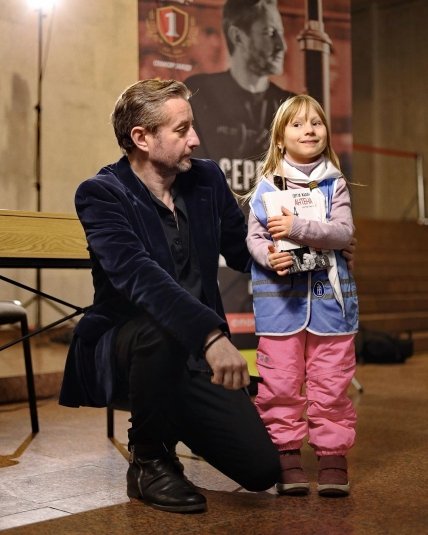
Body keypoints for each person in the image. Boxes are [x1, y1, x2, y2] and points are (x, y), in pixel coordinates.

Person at [58, 78, 282, 514]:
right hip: (129, 344)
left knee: (261, 470)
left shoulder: (206, 178)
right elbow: (140, 278)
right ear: (141, 138)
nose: (195, 139)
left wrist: (304, 254)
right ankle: (148, 460)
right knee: (158, 328)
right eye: (182, 130)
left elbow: (241, 250)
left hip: (191, 352)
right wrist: (212, 337)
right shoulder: (101, 194)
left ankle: (172, 412)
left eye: (192, 126)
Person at [246, 94, 359, 497]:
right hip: (280, 308)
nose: (309, 130)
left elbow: (343, 233)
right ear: (280, 139)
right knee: (279, 385)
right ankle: (287, 456)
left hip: (331, 308)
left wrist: (297, 226)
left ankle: (332, 457)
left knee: (331, 384)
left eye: (316, 122)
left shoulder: (335, 183)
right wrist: (268, 256)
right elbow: (254, 238)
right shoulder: (265, 187)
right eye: (297, 124)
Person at [184, 0, 294, 191]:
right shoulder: (198, 92)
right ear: (238, 36)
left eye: (281, 34)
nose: (282, 46)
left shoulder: (290, 104)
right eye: (270, 33)